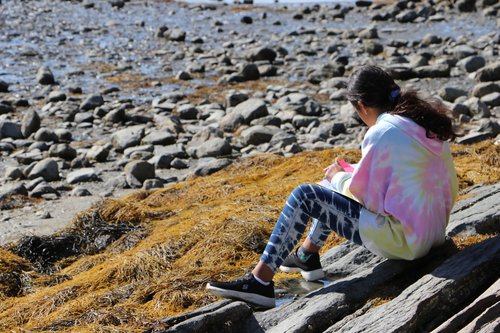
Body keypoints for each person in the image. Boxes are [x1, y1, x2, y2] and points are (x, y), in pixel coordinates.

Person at [206, 65, 459, 309]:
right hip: (433, 231)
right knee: (329, 185)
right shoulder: (422, 123)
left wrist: (339, 178)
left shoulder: (382, 131)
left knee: (306, 196)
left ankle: (259, 281)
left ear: (360, 105)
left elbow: (365, 196)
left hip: (407, 242)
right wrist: (343, 175)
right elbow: (420, 183)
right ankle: (307, 256)